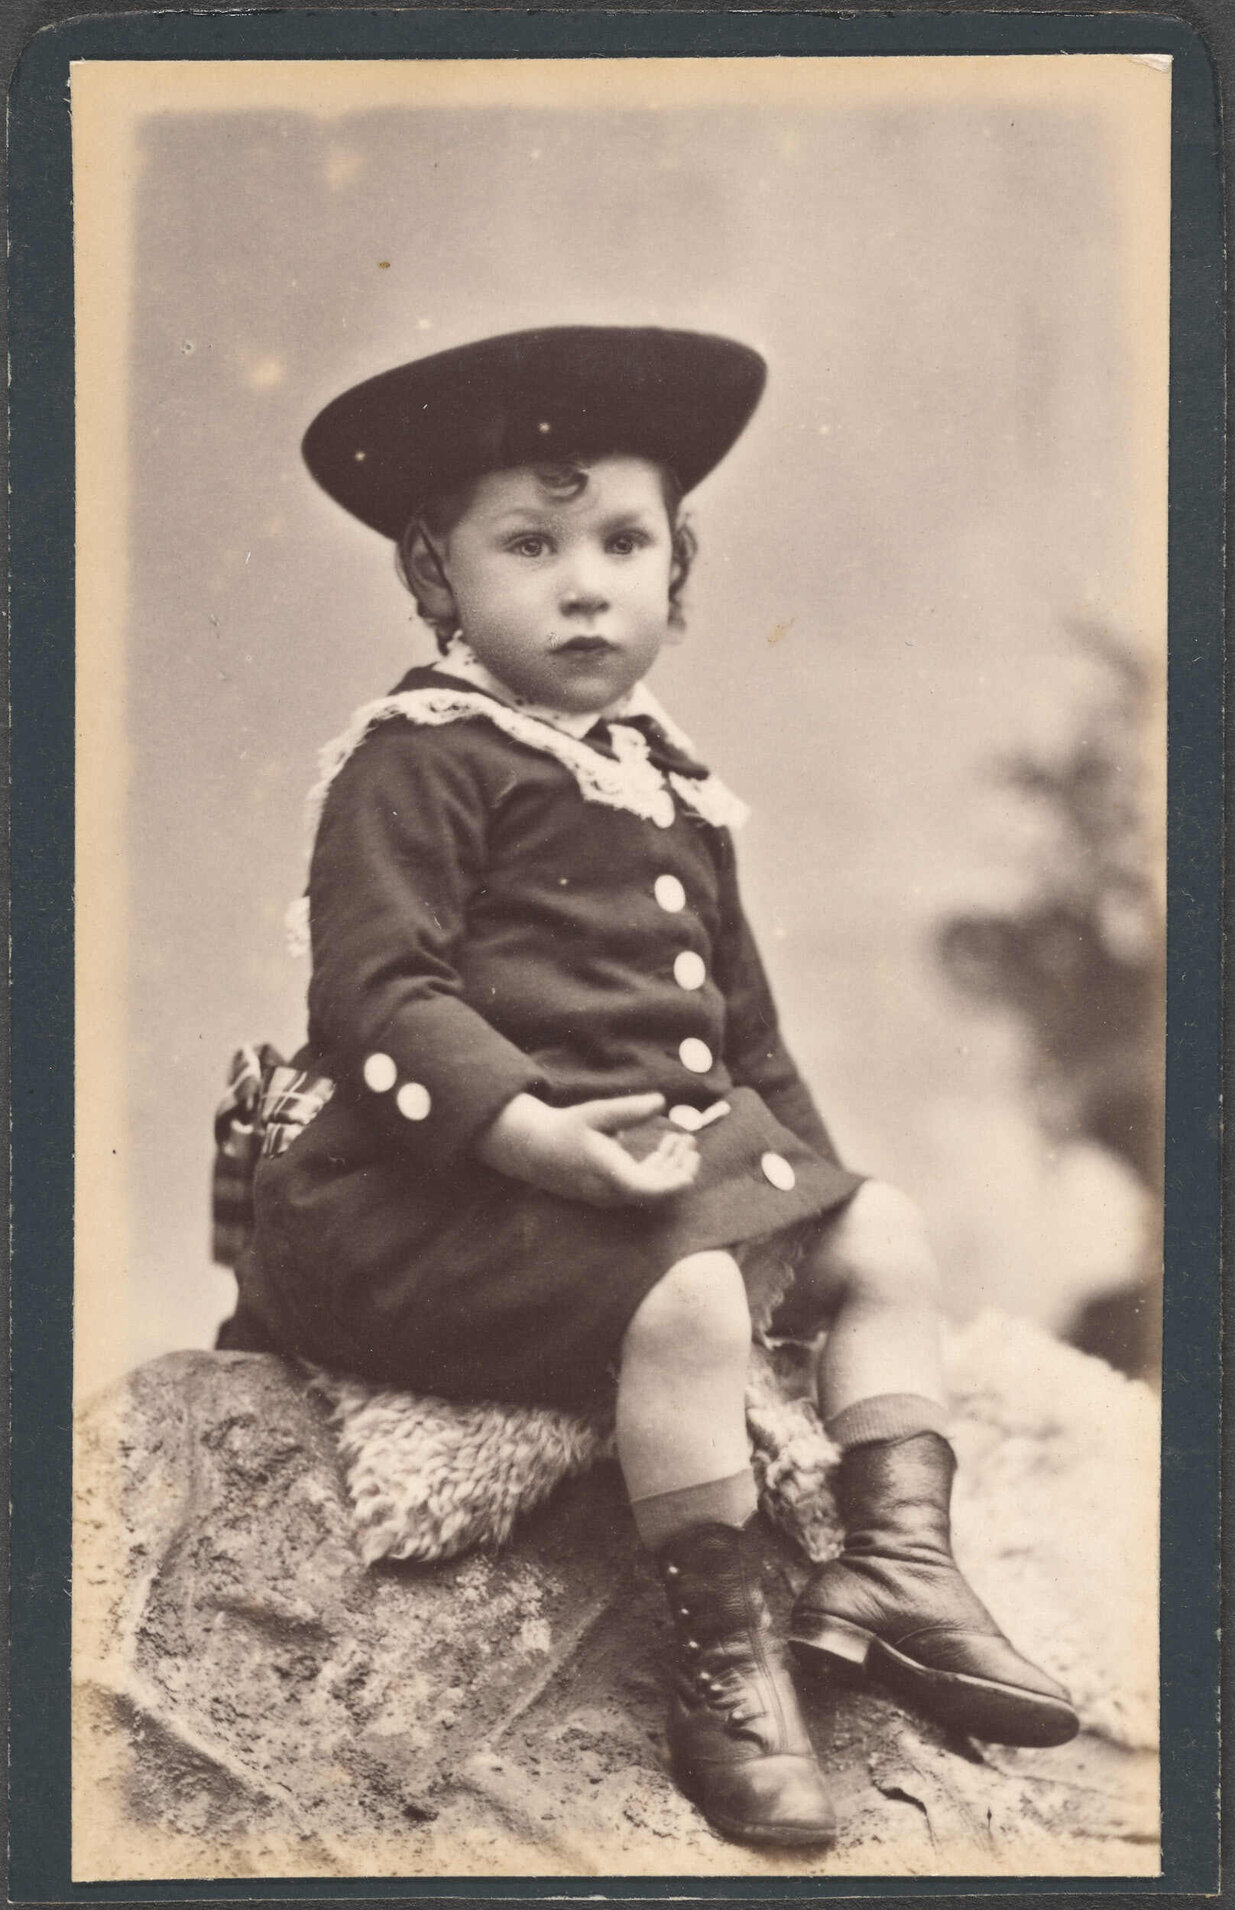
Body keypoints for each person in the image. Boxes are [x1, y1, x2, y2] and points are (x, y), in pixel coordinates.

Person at [218, 327, 1078, 1850]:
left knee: (885, 1232)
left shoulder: (670, 777)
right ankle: (726, 1661)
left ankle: (894, 1562)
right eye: (529, 544)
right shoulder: (415, 760)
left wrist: (809, 1194)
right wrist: (533, 1136)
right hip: (428, 1200)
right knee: (684, 1304)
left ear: (678, 570)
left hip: (627, 1181)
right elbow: (378, 999)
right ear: (436, 576)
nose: (585, 582)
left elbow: (746, 1045)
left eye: (624, 541)